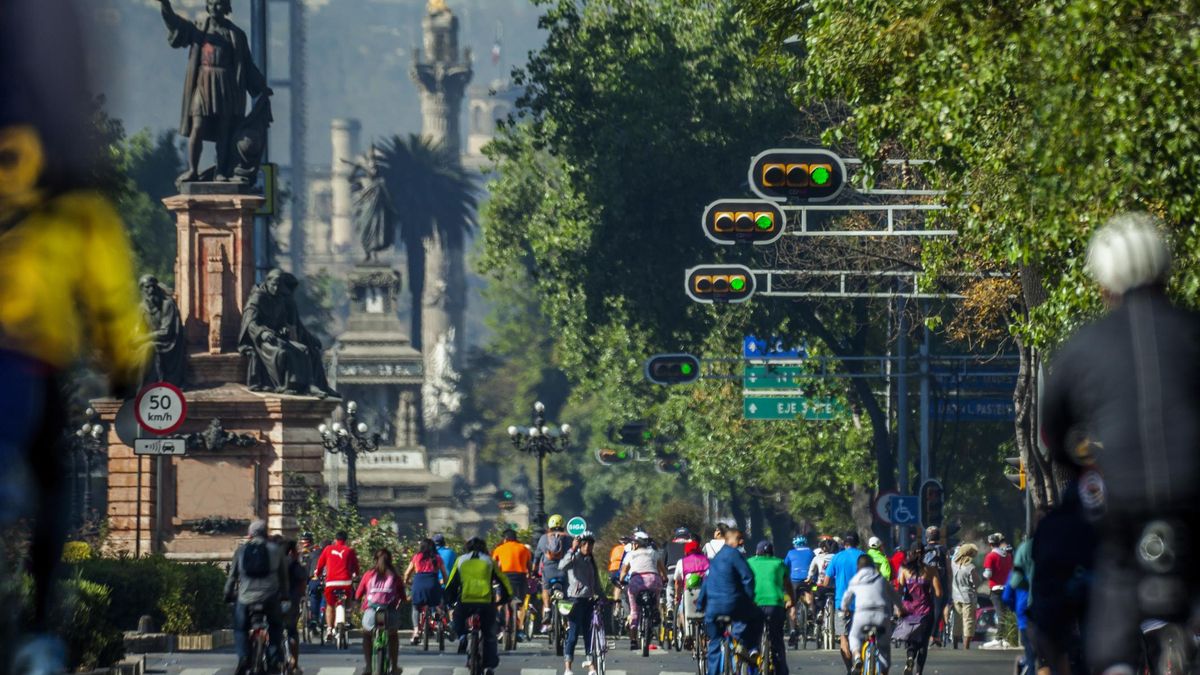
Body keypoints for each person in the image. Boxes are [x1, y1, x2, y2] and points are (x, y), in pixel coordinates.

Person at [0, 4, 149, 665]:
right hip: (29, 358)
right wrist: (124, 366)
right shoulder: (67, 187)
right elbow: (110, 286)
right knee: (54, 479)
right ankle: (39, 625)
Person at [1038, 212, 1200, 675]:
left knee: (1103, 590)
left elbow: (1054, 431)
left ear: (1104, 281)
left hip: (1121, 507)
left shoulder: (1084, 345)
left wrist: (1087, 468)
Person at [696, 527, 763, 675]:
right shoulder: (735, 555)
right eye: (738, 538)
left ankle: (712, 672)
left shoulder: (714, 560)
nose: (741, 541)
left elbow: (706, 583)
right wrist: (750, 598)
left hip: (713, 609)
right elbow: (748, 577)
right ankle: (749, 646)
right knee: (757, 616)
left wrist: (700, 605)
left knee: (714, 642)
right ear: (728, 540)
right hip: (733, 605)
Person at [225, 520, 289, 673]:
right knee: (275, 626)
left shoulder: (241, 551)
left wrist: (227, 594)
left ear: (249, 535)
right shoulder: (276, 550)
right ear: (266, 534)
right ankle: (273, 658)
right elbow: (283, 577)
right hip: (270, 597)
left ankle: (243, 657)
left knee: (240, 628)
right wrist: (285, 596)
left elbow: (232, 577)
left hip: (245, 597)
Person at [445, 537, 513, 675]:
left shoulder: (461, 560)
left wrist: (450, 601)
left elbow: (451, 583)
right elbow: (503, 581)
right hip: (486, 603)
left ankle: (463, 636)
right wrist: (506, 597)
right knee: (489, 633)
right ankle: (490, 664)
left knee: (457, 621)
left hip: (465, 602)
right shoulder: (489, 561)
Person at [842, 555, 901, 675]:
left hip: (862, 615)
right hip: (881, 615)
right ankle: (884, 670)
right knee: (884, 646)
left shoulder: (855, 580)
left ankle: (857, 656)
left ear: (858, 567)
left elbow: (846, 599)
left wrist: (844, 609)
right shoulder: (881, 579)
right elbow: (895, 596)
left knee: (854, 636)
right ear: (872, 565)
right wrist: (901, 609)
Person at [893, 542, 942, 675]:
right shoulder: (931, 570)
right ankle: (918, 672)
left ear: (911, 553)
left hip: (908, 611)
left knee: (911, 640)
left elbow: (900, 589)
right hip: (926, 611)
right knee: (923, 643)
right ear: (924, 553)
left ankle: (909, 658)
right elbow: (938, 593)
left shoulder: (904, 569)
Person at [560, 531, 603, 675]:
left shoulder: (590, 560)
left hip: (589, 600)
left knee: (589, 636)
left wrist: (603, 597)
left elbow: (596, 582)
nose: (588, 547)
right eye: (585, 544)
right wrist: (572, 549)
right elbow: (562, 566)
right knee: (572, 635)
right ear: (580, 545)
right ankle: (568, 668)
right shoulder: (575, 557)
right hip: (575, 600)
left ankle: (591, 667)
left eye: (590, 545)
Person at [357, 548, 405, 675]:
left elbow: (358, 594)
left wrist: (357, 602)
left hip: (371, 612)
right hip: (390, 614)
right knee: (393, 636)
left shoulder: (368, 575)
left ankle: (368, 666)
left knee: (367, 635)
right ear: (391, 560)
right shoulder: (395, 576)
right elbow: (403, 596)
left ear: (375, 560)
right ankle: (394, 667)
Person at [748, 541, 792, 675]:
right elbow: (787, 585)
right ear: (772, 552)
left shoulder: (749, 562)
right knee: (777, 641)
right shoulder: (779, 563)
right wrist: (791, 600)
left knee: (753, 635)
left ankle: (754, 651)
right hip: (775, 604)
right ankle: (781, 671)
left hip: (755, 604)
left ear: (757, 552)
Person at [618, 531, 667, 649]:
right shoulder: (654, 553)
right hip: (653, 581)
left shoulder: (630, 555)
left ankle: (633, 640)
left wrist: (621, 580)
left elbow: (623, 572)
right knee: (655, 599)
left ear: (637, 543)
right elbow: (662, 571)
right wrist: (664, 579)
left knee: (634, 612)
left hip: (636, 582)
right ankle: (655, 613)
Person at [824, 532, 866, 672]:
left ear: (844, 544)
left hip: (841, 603)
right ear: (857, 542)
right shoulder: (863, 557)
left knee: (844, 637)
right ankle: (858, 656)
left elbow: (826, 581)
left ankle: (850, 669)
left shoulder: (837, 557)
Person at [316, 530, 360, 642]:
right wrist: (356, 575)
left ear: (335, 540)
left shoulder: (328, 549)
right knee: (349, 597)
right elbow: (356, 567)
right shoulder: (349, 550)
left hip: (331, 583)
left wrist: (318, 574)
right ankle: (348, 617)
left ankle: (330, 629)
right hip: (346, 582)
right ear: (346, 540)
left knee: (330, 605)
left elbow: (320, 565)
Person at [405, 538, 448, 645]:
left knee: (415, 607)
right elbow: (444, 574)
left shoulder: (416, 557)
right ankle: (437, 613)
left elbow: (406, 574)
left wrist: (408, 582)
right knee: (437, 602)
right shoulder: (437, 558)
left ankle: (416, 632)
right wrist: (443, 582)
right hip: (433, 584)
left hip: (418, 585)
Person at [492, 528, 533, 642]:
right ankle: (519, 630)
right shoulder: (524, 548)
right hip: (520, 577)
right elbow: (529, 564)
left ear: (505, 539)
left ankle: (500, 626)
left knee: (500, 600)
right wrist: (529, 574)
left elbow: (493, 564)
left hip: (504, 577)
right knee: (520, 604)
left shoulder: (499, 549)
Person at [535, 515, 571, 631]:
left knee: (545, 590)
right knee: (566, 592)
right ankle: (566, 617)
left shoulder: (543, 538)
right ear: (563, 525)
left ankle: (547, 610)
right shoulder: (569, 538)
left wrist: (534, 571)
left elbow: (537, 557)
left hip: (548, 571)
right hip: (564, 571)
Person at [673, 540, 710, 649]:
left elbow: (677, 582)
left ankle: (688, 633)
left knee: (682, 610)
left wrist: (677, 596)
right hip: (705, 593)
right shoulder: (706, 561)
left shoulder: (682, 562)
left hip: (688, 593)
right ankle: (705, 635)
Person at [921, 527, 950, 646]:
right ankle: (933, 634)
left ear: (927, 537)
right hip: (941, 582)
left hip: (926, 581)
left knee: (926, 607)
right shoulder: (944, 550)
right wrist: (949, 582)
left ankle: (928, 633)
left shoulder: (923, 549)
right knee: (938, 607)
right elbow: (948, 568)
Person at [784, 535, 815, 645]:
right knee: (808, 592)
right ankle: (810, 609)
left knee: (792, 605)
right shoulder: (811, 552)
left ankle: (792, 629)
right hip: (807, 579)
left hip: (794, 581)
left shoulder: (790, 553)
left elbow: (785, 566)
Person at [950, 543, 981, 649]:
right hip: (968, 597)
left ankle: (954, 644)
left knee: (957, 621)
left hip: (955, 596)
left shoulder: (953, 564)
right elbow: (976, 583)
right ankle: (966, 646)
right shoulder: (970, 568)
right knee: (968, 621)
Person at [283, 540, 307, 673]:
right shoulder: (296, 565)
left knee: (272, 629)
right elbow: (302, 586)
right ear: (293, 551)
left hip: (273, 602)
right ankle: (294, 662)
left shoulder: (273, 563)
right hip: (290, 602)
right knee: (292, 631)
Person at [982, 534, 1012, 625]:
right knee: (1006, 613)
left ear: (990, 544)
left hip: (996, 588)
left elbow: (988, 574)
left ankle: (1000, 636)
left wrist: (982, 575)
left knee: (1000, 613)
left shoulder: (990, 556)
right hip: (1006, 587)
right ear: (999, 543)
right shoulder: (1008, 556)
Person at [300, 533, 324, 638]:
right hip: (307, 578)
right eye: (303, 541)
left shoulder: (314, 551)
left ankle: (314, 618)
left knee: (314, 595)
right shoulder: (301, 553)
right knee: (312, 596)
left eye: (306, 541)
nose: (304, 543)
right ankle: (312, 617)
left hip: (309, 578)